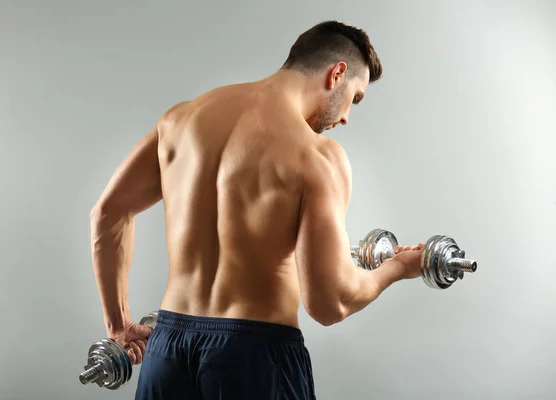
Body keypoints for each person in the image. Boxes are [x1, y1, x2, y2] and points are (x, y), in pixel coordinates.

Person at [89, 20, 424, 400]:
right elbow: (331, 301)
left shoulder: (180, 119)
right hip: (254, 356)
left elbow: (107, 214)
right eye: (356, 98)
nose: (346, 117)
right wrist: (399, 268)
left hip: (167, 351)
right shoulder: (317, 156)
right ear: (337, 74)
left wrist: (118, 325)